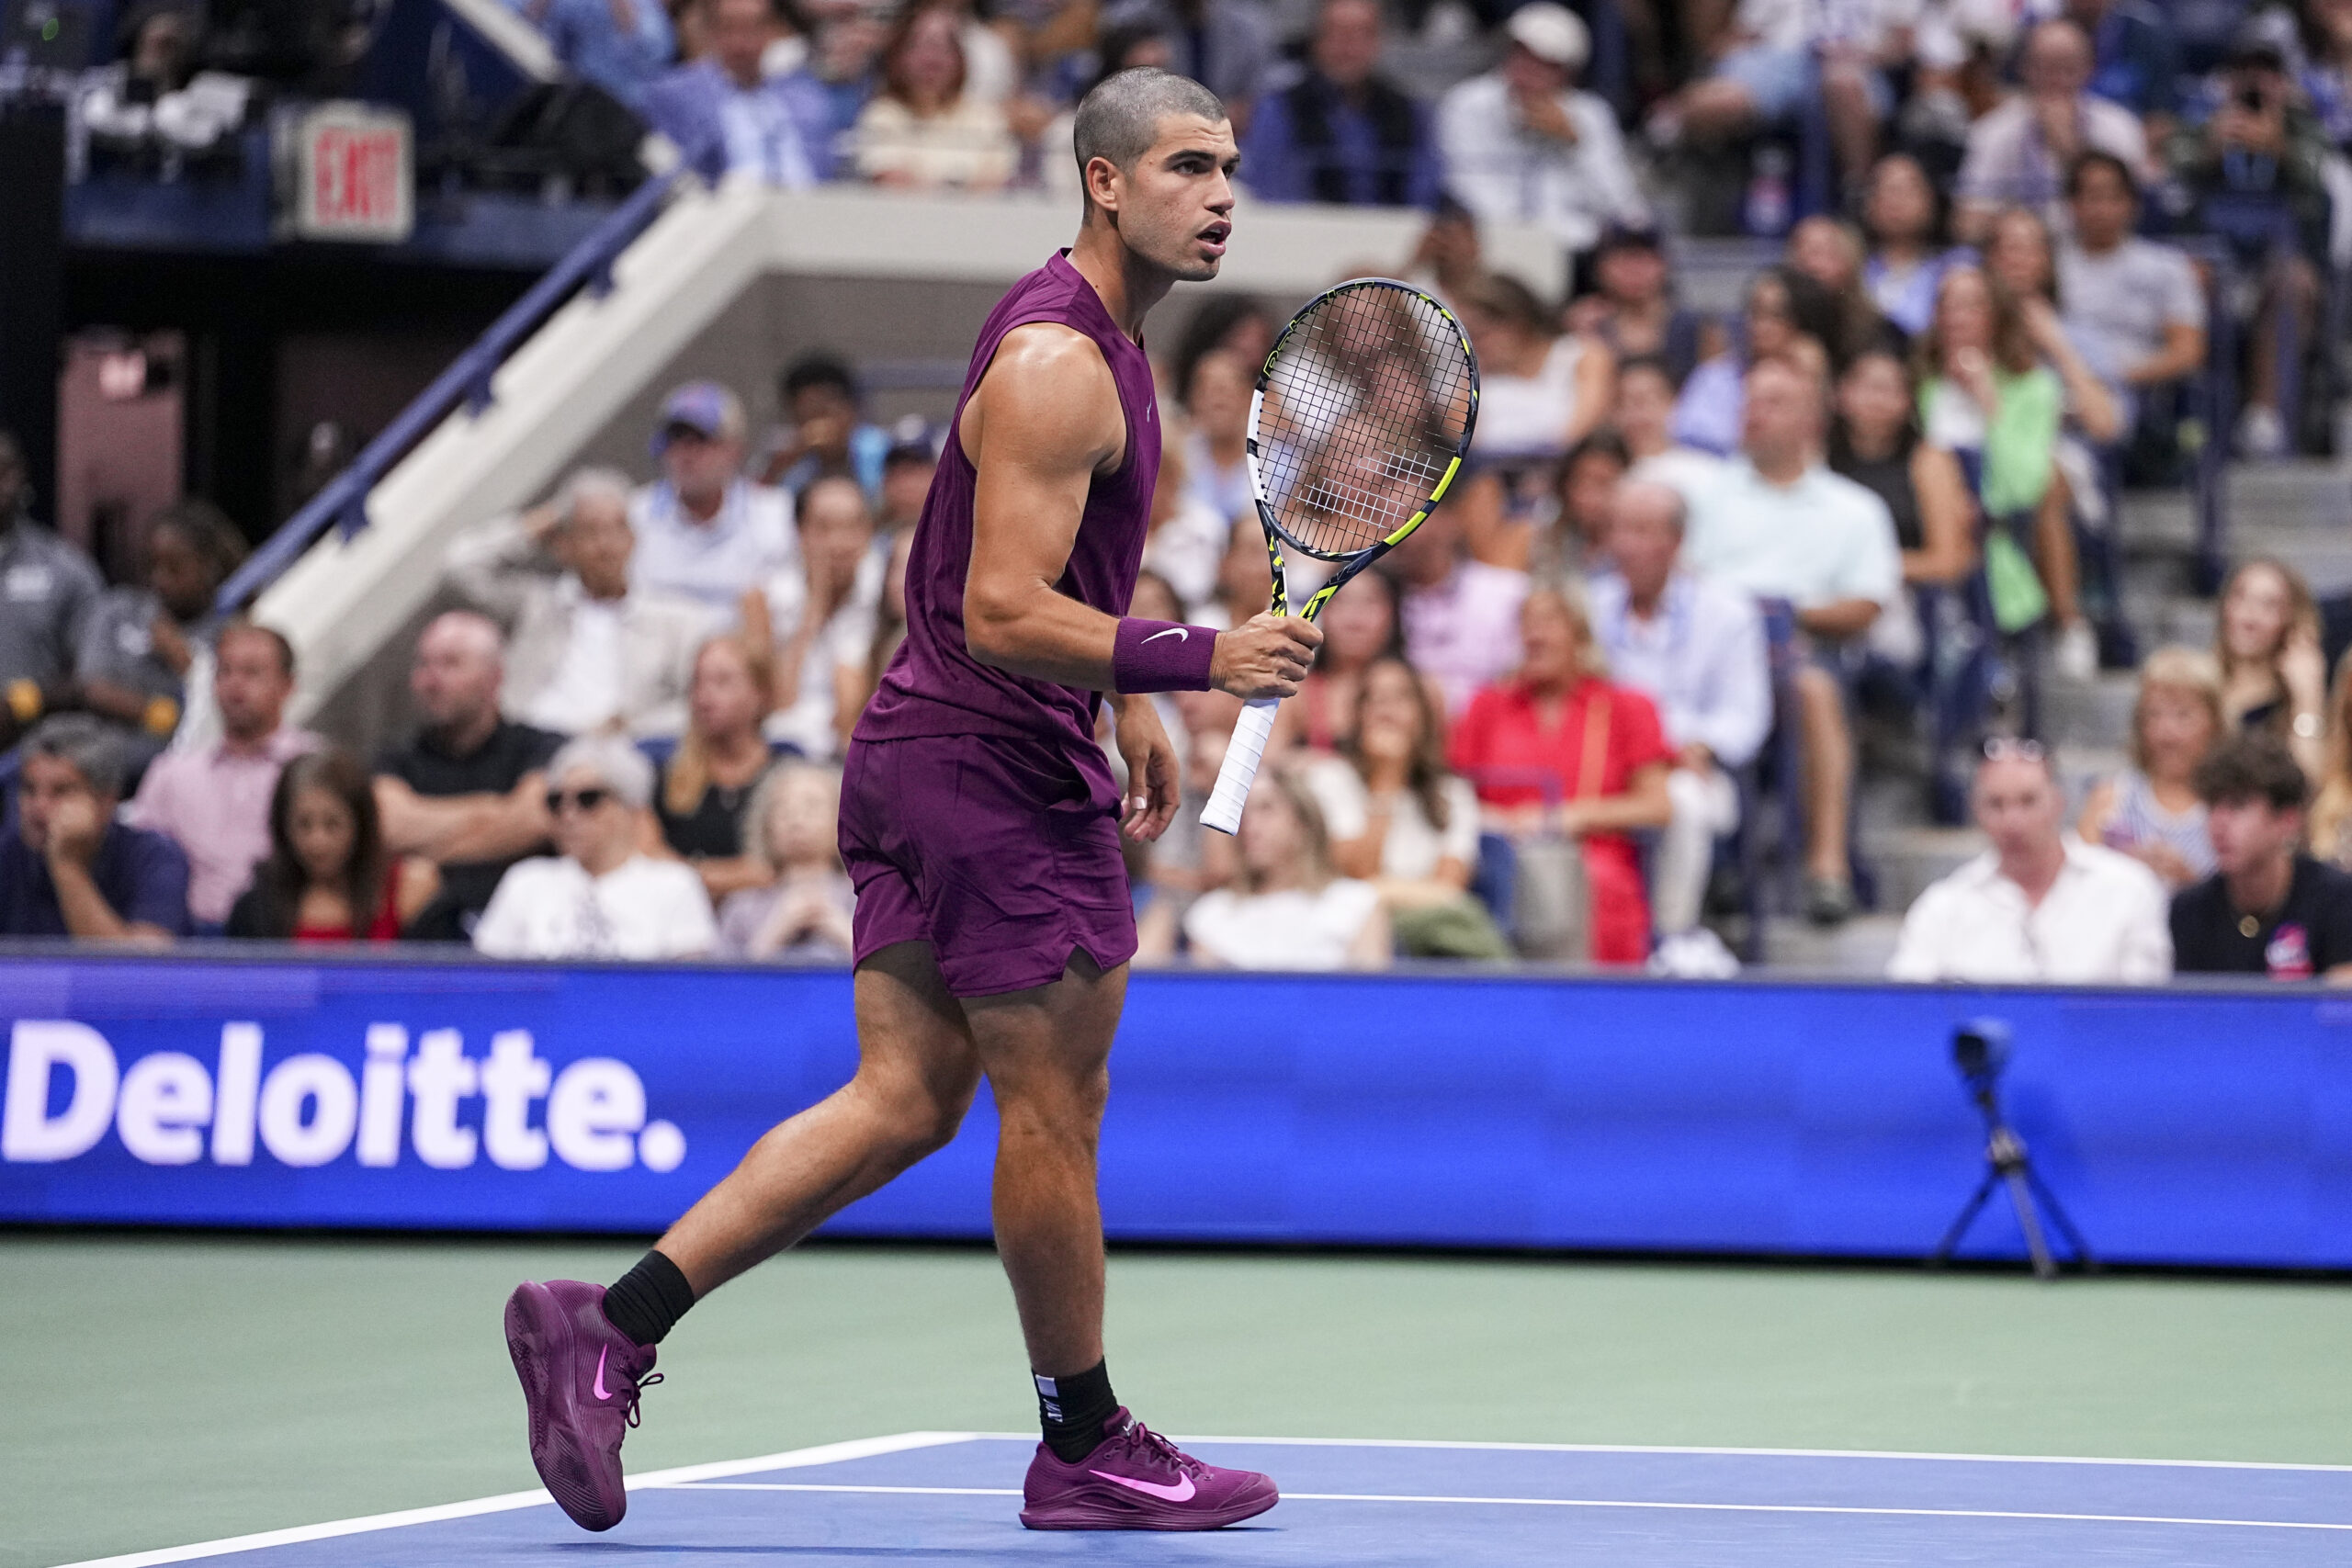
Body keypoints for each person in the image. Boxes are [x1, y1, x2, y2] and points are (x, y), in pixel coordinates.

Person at [501, 68, 1306, 1536]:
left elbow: (1048, 569)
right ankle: (1084, 1441)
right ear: (1105, 180)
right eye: (1188, 167)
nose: (1221, 196)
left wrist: (1120, 689)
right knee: (1053, 1107)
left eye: (1230, 168)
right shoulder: (1063, 362)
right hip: (991, 774)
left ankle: (604, 1328)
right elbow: (1001, 605)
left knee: (907, 1097)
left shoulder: (1100, 339)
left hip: (924, 750)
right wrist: (1198, 657)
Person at [1684, 355, 1902, 923]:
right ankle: (1715, 862)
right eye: (1750, 401)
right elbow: (1683, 582)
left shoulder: (1855, 508)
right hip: (1711, 654)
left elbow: (1867, 603)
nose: (1755, 413)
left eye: (1775, 402)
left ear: (1812, 420)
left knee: (1813, 689)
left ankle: (1828, 867)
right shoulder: (1704, 497)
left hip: (1806, 649)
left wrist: (1784, 614)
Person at [1451, 583, 1675, 964]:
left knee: (1593, 881)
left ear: (1580, 635)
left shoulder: (1626, 706)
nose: (1534, 635)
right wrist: (1495, 819)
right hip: (1499, 856)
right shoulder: (1487, 706)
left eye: (1549, 622)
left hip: (1592, 861)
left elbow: (1657, 807)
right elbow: (1448, 794)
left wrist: (1568, 817)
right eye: (1527, 623)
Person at [1588, 480, 1772, 939]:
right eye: (1618, 530)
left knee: (1682, 800)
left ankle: (1670, 937)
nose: (1625, 545)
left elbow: (1744, 721)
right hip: (1601, 765)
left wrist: (1690, 746)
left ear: (1676, 541)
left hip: (1690, 768)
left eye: (1641, 531)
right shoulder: (1589, 606)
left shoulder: (1728, 613)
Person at [1915, 264, 2096, 679]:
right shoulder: (1920, 383)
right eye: (1948, 305)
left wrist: (1988, 402)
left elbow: (2023, 487)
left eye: (1971, 305)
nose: (1958, 317)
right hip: (1925, 538)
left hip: (1997, 547)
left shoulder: (2032, 387)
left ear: (1995, 315)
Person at [445, 468, 713, 740]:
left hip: (616, 749)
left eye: (617, 529)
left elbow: (701, 703)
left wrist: (635, 727)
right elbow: (461, 565)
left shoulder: (676, 620)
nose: (605, 546)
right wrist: (543, 521)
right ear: (565, 546)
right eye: (590, 532)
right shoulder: (536, 605)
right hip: (526, 744)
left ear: (634, 540)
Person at [2164, 33, 2329, 457]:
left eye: (2267, 72)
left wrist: (2280, 147)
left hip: (2276, 260)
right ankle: (2193, 418)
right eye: (2245, 71)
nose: (2255, 81)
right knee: (2188, 281)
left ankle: (2264, 417)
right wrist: (2210, 150)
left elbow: (2321, 192)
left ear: (2282, 81)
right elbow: (2170, 183)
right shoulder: (2202, 122)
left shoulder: (2303, 127)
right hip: (2212, 257)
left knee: (2294, 282)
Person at [1888, 740, 2173, 982]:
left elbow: (2146, 1010)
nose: (2012, 821)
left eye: (2028, 801)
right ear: (1976, 811)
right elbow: (1908, 1010)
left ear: (2058, 802)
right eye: (1996, 804)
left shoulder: (2129, 889)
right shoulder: (1942, 908)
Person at [373, 613, 565, 942]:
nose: (431, 680)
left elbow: (535, 819)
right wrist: (496, 814)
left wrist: (422, 844)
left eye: (451, 664)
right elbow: (388, 826)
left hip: (529, 938)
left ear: (495, 677)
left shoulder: (541, 747)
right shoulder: (393, 757)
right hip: (425, 939)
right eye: (424, 665)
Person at [1303, 653, 1504, 958]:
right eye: (1374, 699)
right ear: (1358, 716)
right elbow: (1352, 875)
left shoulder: (1453, 792)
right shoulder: (1330, 779)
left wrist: (1375, 890)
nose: (1386, 709)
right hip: (1347, 931)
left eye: (1401, 697)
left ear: (1423, 716)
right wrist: (1386, 778)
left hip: (1433, 930)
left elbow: (1448, 890)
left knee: (1459, 924)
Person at [125, 622, 318, 931]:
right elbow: (140, 865)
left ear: (287, 686)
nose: (234, 685)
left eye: (252, 673)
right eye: (224, 672)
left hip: (285, 937)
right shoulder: (171, 774)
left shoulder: (314, 769)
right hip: (187, 941)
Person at [474, 736, 718, 959]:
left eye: (588, 799)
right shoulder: (526, 881)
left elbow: (689, 984)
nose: (569, 815)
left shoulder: (675, 885)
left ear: (631, 809)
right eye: (556, 801)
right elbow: (485, 977)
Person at [1436, 4, 1649, 256]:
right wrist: (1521, 237)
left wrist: (1575, 145)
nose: (1528, 72)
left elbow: (1625, 209)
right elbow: (1459, 183)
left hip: (1575, 249)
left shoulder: (1591, 114)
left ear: (1567, 73)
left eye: (1545, 64)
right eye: (1522, 56)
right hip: (1492, 240)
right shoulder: (1467, 103)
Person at [71, 498, 246, 770]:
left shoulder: (231, 633)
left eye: (175, 568)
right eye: (152, 565)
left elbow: (226, 712)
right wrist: (159, 713)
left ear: (210, 566)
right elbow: (93, 688)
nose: (160, 579)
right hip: (105, 768)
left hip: (185, 769)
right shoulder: (118, 609)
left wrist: (187, 663)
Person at [2171, 730, 2352, 979]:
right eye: (2213, 806)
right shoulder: (2189, 911)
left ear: (2287, 821)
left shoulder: (2338, 900)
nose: (2218, 823)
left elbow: (2342, 1000)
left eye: (2238, 805)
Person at [1954, 18, 2149, 241]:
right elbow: (1968, 224)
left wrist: (2069, 150)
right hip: (2021, 251)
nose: (2057, 79)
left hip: (2096, 251)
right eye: (2045, 67)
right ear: (2025, 69)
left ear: (2089, 69)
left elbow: (2134, 215)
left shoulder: (2120, 127)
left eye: (2068, 68)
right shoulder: (1993, 131)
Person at [0, 715, 189, 941]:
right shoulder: (7, 854)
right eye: (29, 789)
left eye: (61, 791)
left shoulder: (155, 857)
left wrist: (67, 864)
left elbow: (142, 961)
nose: (38, 806)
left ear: (106, 801)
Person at [1183, 763, 1390, 967]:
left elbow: (1370, 986)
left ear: (1303, 823)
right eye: (1242, 814)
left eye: (1266, 809)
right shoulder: (1211, 915)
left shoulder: (1357, 905)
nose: (1249, 826)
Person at [1238, 0, 1439, 208]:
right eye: (1337, 33)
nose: (1348, 47)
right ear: (1316, 40)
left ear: (1379, 41)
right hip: (1305, 222)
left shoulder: (1410, 112)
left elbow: (1424, 194)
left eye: (1361, 34)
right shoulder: (1279, 108)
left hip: (1392, 223)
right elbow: (1273, 191)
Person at [225, 750, 441, 942]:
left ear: (361, 824)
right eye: (303, 825)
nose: (318, 841)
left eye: (333, 824)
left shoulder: (408, 892)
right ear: (283, 827)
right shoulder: (255, 909)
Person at [2057, 152, 2207, 418]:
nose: (2103, 209)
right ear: (2072, 205)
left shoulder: (2167, 267)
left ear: (2132, 204)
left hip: (2139, 398)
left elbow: (2188, 352)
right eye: (2093, 197)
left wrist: (2114, 375)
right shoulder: (2051, 266)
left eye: (2113, 197)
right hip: (2061, 388)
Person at [628, 382, 798, 615]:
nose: (686, 454)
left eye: (701, 440)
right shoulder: (633, 516)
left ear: (735, 449)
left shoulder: (775, 513)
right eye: (675, 440)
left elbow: (786, 605)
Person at [1829, 346, 1978, 609]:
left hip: (1910, 600)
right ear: (1840, 394)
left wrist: (1865, 568)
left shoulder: (1929, 461)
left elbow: (1949, 560)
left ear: (1908, 402)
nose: (1877, 400)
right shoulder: (1817, 458)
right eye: (1868, 387)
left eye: (1889, 390)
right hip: (1830, 594)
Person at [640, 0, 834, 185]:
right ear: (710, 32)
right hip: (728, 201)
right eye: (730, 28)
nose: (742, 42)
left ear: (773, 31)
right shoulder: (676, 95)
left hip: (808, 199)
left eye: (753, 28)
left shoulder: (806, 95)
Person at [758, 474, 883, 759]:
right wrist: (814, 610)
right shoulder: (765, 598)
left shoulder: (888, 594)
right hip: (781, 749)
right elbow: (777, 704)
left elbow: (861, 706)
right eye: (824, 528)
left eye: (851, 526)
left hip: (858, 746)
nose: (839, 543)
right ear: (799, 533)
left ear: (868, 531)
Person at [2077, 646, 2222, 888]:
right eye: (2154, 715)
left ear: (2215, 724)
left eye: (2183, 716)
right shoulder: (2110, 801)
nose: (2167, 733)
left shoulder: (2228, 808)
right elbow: (2076, 889)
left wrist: (2191, 885)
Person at [0, 431, 106, 751]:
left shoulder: (66, 570)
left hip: (35, 754)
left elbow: (96, 677)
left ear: (21, 477)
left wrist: (25, 702)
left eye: (3, 471)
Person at [655, 633, 779, 902]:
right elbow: (648, 859)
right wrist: (738, 876)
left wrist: (690, 873)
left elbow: (780, 870)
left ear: (761, 694)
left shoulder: (784, 777)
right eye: (697, 682)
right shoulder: (666, 776)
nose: (703, 697)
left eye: (722, 682)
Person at [1671, 265, 1842, 457]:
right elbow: (1688, 441)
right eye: (1755, 311)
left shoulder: (1820, 379)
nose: (1759, 325)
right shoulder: (1716, 376)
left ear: (1804, 321)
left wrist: (1813, 378)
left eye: (1776, 315)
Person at [852, 0, 1017, 189]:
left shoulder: (985, 117)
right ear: (899, 56)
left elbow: (996, 183)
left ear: (960, 58)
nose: (931, 57)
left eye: (943, 47)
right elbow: (891, 181)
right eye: (919, 45)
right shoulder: (881, 114)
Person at [1391, 502, 1532, 715]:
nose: (1397, 528)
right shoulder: (1379, 599)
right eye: (1389, 517)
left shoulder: (1509, 593)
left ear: (1449, 521)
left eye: (1409, 515)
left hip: (1493, 722)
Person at [1460, 271, 1613, 459]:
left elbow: (1583, 432)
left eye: (1480, 334)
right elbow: (1464, 443)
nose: (1474, 345)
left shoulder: (1584, 356)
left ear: (1517, 324)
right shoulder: (1470, 382)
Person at [717, 761, 856, 958]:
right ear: (766, 825)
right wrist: (778, 929)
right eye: (783, 809)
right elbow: (724, 975)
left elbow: (889, 970)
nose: (796, 819)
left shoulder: (866, 901)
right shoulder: (741, 907)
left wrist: (836, 924)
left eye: (812, 806)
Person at [2213, 556, 2327, 780]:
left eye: (2269, 604)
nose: (2250, 614)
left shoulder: (2293, 705)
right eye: (2240, 596)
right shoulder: (2199, 680)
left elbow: (2307, 782)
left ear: (2292, 620)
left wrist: (2308, 699)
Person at [1566, 223, 1704, 386]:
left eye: (1643, 259)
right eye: (1622, 259)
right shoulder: (1586, 327)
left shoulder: (1694, 329)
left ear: (1664, 264)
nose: (1634, 270)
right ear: (1601, 267)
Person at [758, 353, 891, 500]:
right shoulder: (797, 466)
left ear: (851, 410)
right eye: (807, 415)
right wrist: (776, 469)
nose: (818, 423)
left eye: (824, 411)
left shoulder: (883, 451)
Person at [1860, 152, 1963, 339]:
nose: (1896, 201)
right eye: (1888, 190)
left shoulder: (1956, 266)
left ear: (1930, 200)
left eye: (1907, 190)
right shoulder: (1853, 268)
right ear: (1870, 204)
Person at [512, 0, 675, 112]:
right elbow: (530, 22)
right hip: (555, 92)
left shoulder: (660, 28)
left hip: (605, 116)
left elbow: (641, 47)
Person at [1616, 356, 1724, 511]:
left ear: (1674, 403)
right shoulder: (1606, 474)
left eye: (1644, 401)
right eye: (1623, 402)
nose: (1634, 413)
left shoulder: (1705, 474)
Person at [1175, 347, 1251, 531]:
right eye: (1208, 391)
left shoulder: (1279, 465)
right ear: (1193, 400)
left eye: (1226, 391)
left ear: (1247, 398)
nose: (1218, 401)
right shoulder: (1174, 457)